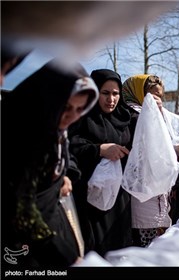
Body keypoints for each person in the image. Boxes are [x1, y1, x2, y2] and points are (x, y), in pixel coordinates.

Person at [1, 58, 99, 268]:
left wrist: (60, 176)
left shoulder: (54, 130)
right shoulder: (23, 137)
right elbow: (20, 208)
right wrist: (66, 256)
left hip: (48, 227)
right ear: (48, 99)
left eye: (80, 109)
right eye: (65, 107)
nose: (71, 116)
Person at [68, 69, 133, 256]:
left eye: (115, 94)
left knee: (118, 243)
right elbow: (70, 145)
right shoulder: (81, 116)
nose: (111, 99)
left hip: (119, 196)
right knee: (94, 247)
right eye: (105, 93)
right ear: (95, 92)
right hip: (89, 195)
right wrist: (99, 150)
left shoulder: (124, 117)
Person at [121, 74, 175, 247]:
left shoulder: (154, 115)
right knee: (146, 246)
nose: (157, 100)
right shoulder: (131, 115)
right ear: (139, 93)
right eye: (153, 95)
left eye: (160, 96)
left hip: (156, 192)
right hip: (141, 194)